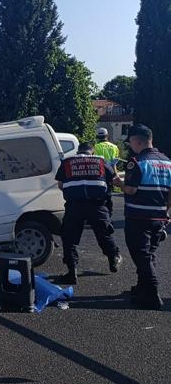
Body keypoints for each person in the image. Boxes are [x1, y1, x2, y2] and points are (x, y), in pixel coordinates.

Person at [115, 125, 171, 310]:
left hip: (138, 217)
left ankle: (152, 293)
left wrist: (118, 183)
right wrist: (167, 212)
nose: (130, 146)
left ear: (137, 141)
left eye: (130, 142)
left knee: (141, 255)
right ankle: (142, 287)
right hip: (159, 218)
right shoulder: (167, 162)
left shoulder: (137, 162)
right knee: (149, 253)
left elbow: (131, 189)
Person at [55, 142, 121, 284]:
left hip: (74, 206)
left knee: (70, 239)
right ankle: (113, 260)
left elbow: (60, 184)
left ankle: (72, 272)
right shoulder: (100, 161)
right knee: (104, 234)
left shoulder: (67, 162)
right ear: (92, 151)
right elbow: (113, 180)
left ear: (78, 151)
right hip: (97, 205)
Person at [94, 127, 120, 216]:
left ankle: (99, 213)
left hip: (98, 173)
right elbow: (114, 164)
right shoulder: (115, 147)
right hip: (110, 173)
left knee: (98, 194)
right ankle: (109, 213)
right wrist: (116, 176)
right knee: (108, 193)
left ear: (97, 137)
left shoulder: (95, 147)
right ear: (107, 136)